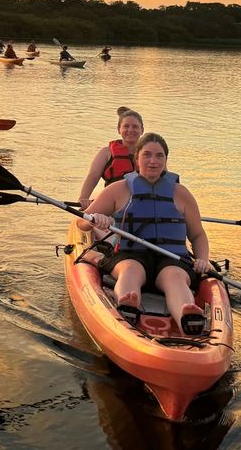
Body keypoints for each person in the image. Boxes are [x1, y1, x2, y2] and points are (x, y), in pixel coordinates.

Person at [78, 133, 211, 335]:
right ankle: (127, 305)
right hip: (130, 255)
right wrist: (95, 218)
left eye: (159, 156)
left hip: (171, 259)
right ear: (137, 158)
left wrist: (203, 259)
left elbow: (198, 235)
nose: (153, 161)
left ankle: (186, 315)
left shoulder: (181, 194)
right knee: (130, 270)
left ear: (166, 161)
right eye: (147, 155)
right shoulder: (118, 190)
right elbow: (81, 222)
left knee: (175, 277)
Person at [77, 106, 143, 208]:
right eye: (126, 126)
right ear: (118, 130)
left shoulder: (150, 153)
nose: (130, 130)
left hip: (142, 204)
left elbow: (163, 179)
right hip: (114, 204)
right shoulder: (106, 152)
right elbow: (93, 176)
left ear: (142, 130)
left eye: (135, 126)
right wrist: (83, 198)